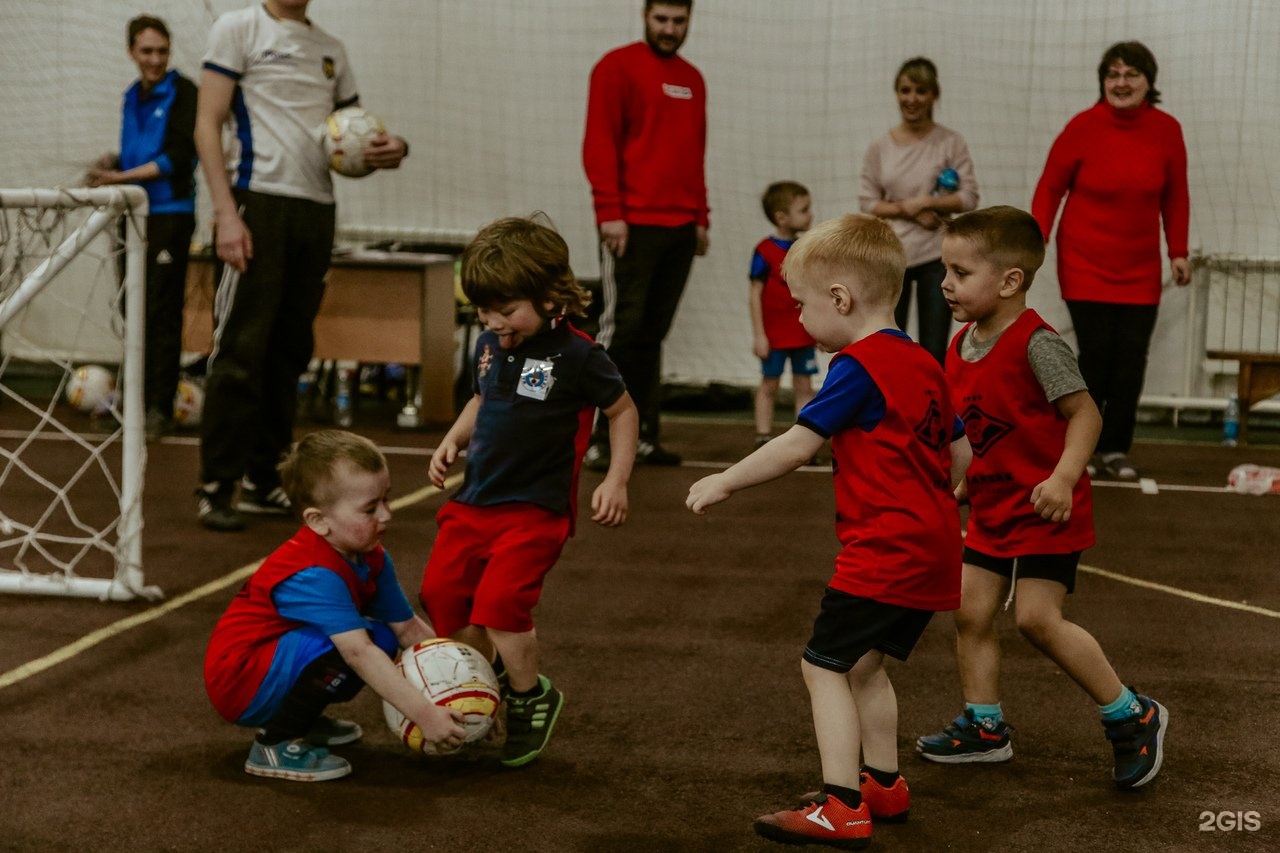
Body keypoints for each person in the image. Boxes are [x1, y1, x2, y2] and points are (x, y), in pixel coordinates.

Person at [687, 214, 970, 849]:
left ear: (840, 299)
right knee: (866, 667)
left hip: (885, 551)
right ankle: (885, 785)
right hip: (934, 549)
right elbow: (963, 452)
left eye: (802, 307)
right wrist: (943, 499)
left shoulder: (855, 364)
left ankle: (842, 804)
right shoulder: (923, 360)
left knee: (823, 667)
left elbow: (796, 445)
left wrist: (726, 480)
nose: (801, 321)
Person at [917, 206, 1168, 790]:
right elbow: (984, 431)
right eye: (945, 271)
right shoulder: (960, 345)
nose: (945, 283)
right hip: (992, 508)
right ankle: (985, 728)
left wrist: (1062, 476)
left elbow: (1085, 414)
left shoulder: (1038, 344)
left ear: (1010, 281)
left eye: (959, 272)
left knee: (1036, 620)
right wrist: (963, 485)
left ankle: (1132, 715)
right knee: (970, 612)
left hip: (1046, 509)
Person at [419, 216, 639, 768]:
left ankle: (529, 695)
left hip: (534, 512)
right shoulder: (492, 346)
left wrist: (615, 479)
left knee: (500, 605)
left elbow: (623, 411)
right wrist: (452, 438)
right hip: (473, 504)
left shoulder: (581, 356)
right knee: (442, 596)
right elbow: (480, 400)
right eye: (483, 312)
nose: (493, 323)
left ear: (549, 297)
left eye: (506, 311)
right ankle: (482, 688)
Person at [193, 0, 409, 531]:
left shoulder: (331, 50)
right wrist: (225, 214)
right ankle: (219, 484)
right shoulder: (238, 29)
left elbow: (357, 132)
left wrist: (394, 149)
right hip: (256, 202)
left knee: (289, 351)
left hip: (316, 210)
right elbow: (206, 123)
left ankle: (267, 478)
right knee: (241, 348)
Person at [204, 430, 467, 782]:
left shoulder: (370, 554)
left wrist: (461, 692)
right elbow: (358, 653)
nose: (387, 515)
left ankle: (301, 718)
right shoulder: (314, 571)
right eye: (370, 508)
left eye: (386, 500)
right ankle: (276, 741)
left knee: (383, 637)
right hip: (241, 682)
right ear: (318, 521)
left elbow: (409, 629)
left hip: (271, 662)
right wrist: (426, 715)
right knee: (357, 646)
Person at [1032, 41, 1191, 481]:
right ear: (1103, 82)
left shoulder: (1167, 130)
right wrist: (1035, 237)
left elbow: (1175, 196)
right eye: (1113, 75)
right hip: (1084, 264)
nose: (1121, 83)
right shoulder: (1082, 127)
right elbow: (1050, 186)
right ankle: (1079, 448)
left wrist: (1177, 251)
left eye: (1131, 74)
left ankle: (1116, 447)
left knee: (1131, 360)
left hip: (1139, 269)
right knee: (1096, 356)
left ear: (1148, 81)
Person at [581, 0, 708, 469]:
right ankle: (596, 438)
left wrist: (701, 216)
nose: (670, 29)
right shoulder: (615, 67)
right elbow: (598, 142)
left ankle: (644, 437)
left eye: (679, 21)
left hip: (679, 227)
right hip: (630, 226)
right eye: (662, 20)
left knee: (653, 335)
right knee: (621, 331)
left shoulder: (693, 80)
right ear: (645, 17)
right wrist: (609, 211)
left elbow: (694, 151)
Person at [87, 15, 197, 441]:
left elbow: (178, 156)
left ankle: (158, 408)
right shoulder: (132, 95)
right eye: (146, 51)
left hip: (170, 214)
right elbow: (137, 153)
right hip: (130, 214)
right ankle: (132, 400)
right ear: (131, 51)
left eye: (161, 51)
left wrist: (122, 179)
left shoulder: (184, 92)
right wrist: (112, 165)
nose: (154, 59)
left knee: (162, 313)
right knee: (131, 309)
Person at [860, 56, 979, 365]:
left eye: (920, 91)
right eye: (905, 90)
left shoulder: (951, 142)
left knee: (934, 349)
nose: (912, 99)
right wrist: (908, 210)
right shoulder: (879, 147)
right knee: (887, 345)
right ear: (896, 93)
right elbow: (868, 202)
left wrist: (929, 203)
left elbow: (968, 197)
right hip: (892, 257)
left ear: (934, 95)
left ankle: (932, 410)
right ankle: (889, 409)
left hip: (936, 258)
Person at [749, 181, 817, 449]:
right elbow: (755, 293)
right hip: (774, 335)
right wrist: (759, 335)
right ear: (781, 217)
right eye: (803, 209)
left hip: (801, 331)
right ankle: (763, 436)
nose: (810, 214)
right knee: (770, 384)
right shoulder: (763, 252)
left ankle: (804, 438)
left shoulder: (806, 249)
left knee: (804, 385)